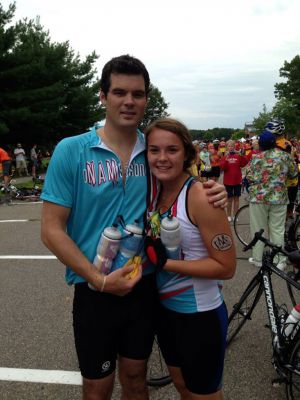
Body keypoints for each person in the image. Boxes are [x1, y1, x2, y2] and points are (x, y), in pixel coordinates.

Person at [40, 54, 228, 400]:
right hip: (93, 288)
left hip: (142, 288)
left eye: (138, 94)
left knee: (136, 379)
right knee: (97, 389)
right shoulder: (72, 151)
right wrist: (98, 279)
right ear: (103, 96)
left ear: (146, 98)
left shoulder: (152, 150)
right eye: (119, 93)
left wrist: (210, 188)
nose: (129, 101)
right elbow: (51, 229)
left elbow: (182, 179)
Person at [144, 118, 236, 400]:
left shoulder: (201, 196)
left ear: (187, 154)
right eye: (154, 150)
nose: (162, 158)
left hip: (199, 315)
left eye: (171, 150)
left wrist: (166, 264)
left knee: (203, 395)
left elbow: (226, 266)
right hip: (166, 312)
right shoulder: (155, 190)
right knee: (182, 385)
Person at [246, 130, 298, 269]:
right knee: (277, 229)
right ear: (274, 142)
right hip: (279, 197)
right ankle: (279, 260)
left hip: (259, 197)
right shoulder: (285, 156)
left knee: (258, 228)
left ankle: (257, 258)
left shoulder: (256, 158)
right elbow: (294, 174)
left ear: (261, 144)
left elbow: (249, 177)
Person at [220, 140, 249, 222]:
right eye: (229, 146)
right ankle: (228, 215)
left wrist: (241, 155)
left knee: (236, 198)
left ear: (234, 147)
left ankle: (235, 215)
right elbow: (222, 168)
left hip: (237, 180)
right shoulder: (224, 156)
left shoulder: (238, 156)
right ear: (227, 147)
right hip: (228, 181)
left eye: (232, 146)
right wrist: (226, 158)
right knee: (229, 199)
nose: (231, 148)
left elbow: (245, 163)